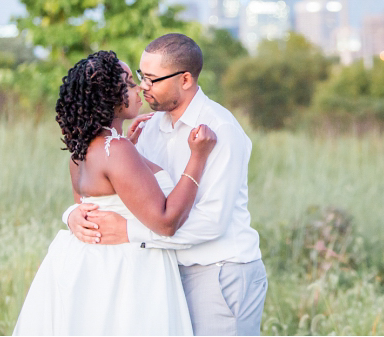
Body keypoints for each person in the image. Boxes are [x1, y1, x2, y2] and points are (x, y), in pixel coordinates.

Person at [65, 33, 268, 336]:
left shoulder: (219, 130)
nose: (143, 87)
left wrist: (127, 233)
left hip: (218, 272)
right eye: (140, 77)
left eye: (152, 79)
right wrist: (72, 214)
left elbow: (211, 222)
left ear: (185, 80)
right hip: (164, 272)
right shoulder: (148, 128)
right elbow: (125, 195)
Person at [14, 50, 216, 335]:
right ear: (109, 96)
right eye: (130, 84)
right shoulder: (116, 150)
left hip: (89, 266)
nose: (139, 90)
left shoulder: (80, 150)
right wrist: (198, 158)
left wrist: (71, 213)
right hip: (125, 272)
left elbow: (84, 206)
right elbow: (166, 221)